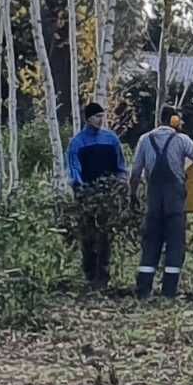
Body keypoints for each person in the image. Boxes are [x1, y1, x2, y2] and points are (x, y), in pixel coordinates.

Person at [129, 107, 193, 299]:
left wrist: (132, 195)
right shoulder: (182, 140)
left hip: (153, 203)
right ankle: (169, 293)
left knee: (150, 244)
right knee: (175, 246)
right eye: (180, 120)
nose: (182, 123)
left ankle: (143, 292)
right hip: (174, 204)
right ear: (174, 120)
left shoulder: (144, 140)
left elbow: (135, 174)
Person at [66, 104, 126, 294]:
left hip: (108, 195)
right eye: (97, 116)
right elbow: (74, 168)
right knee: (88, 235)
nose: (100, 120)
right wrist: (81, 188)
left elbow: (120, 164)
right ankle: (90, 274)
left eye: (102, 116)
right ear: (88, 118)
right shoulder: (77, 143)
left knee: (105, 236)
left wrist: (121, 183)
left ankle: (103, 275)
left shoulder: (111, 139)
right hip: (87, 195)